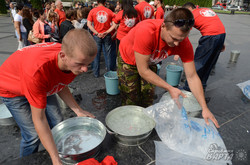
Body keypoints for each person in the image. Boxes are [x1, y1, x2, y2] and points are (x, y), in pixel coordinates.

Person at [0, 29, 97, 165]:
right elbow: (39, 119)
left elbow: (60, 83)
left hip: (39, 82)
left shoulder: (72, 58)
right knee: (32, 135)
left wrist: (78, 110)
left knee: (58, 121)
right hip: (12, 88)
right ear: (63, 56)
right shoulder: (38, 73)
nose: (85, 69)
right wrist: (55, 159)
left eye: (88, 64)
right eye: (80, 64)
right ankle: (28, 161)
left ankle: (59, 153)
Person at [117, 8, 220, 128]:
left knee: (147, 97)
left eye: (181, 39)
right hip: (128, 60)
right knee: (131, 97)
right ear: (164, 26)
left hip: (150, 62)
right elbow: (143, 70)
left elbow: (192, 76)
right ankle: (130, 125)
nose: (177, 44)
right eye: (174, 38)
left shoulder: (183, 43)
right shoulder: (146, 31)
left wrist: (204, 108)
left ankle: (143, 124)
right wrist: (169, 88)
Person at [182, 2, 226, 92]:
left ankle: (189, 88)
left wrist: (179, 49)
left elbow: (185, 32)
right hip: (221, 34)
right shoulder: (206, 10)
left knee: (198, 62)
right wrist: (220, 42)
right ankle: (202, 85)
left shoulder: (191, 15)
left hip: (210, 36)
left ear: (189, 9)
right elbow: (214, 23)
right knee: (210, 62)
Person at [87, 0, 116, 77]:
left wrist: (96, 32)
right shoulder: (109, 11)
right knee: (108, 54)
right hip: (107, 35)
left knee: (96, 55)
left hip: (97, 35)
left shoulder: (92, 11)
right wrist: (107, 32)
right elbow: (115, 24)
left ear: (97, 1)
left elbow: (89, 24)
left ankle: (96, 73)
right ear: (105, 2)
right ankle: (109, 73)